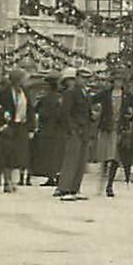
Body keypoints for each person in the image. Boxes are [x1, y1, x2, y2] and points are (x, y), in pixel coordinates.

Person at [0, 68, 33, 194]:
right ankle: (7, 180)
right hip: (8, 126)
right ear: (18, 80)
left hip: (21, 126)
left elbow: (30, 109)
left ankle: (12, 180)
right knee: (7, 154)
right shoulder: (4, 93)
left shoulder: (25, 93)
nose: (26, 81)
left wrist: (31, 127)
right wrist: (0, 121)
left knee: (18, 155)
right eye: (24, 79)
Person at [55, 68, 94, 200]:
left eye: (88, 78)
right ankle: (64, 188)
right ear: (76, 78)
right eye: (83, 78)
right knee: (71, 160)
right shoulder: (70, 93)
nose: (85, 81)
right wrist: (71, 128)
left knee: (81, 160)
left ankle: (75, 188)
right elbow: (65, 113)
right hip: (75, 130)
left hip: (85, 129)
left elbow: (87, 112)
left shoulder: (85, 93)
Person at [93, 79, 133, 197]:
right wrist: (96, 112)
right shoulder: (105, 93)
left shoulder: (128, 95)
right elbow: (91, 100)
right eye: (116, 80)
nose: (119, 82)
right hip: (106, 128)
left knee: (115, 157)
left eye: (120, 80)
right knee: (105, 157)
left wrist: (130, 115)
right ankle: (102, 181)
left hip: (119, 130)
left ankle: (109, 185)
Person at [30, 79, 65, 187]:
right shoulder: (60, 99)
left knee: (48, 155)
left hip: (46, 130)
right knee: (57, 155)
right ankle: (57, 176)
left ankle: (51, 177)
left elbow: (35, 111)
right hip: (57, 130)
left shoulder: (44, 99)